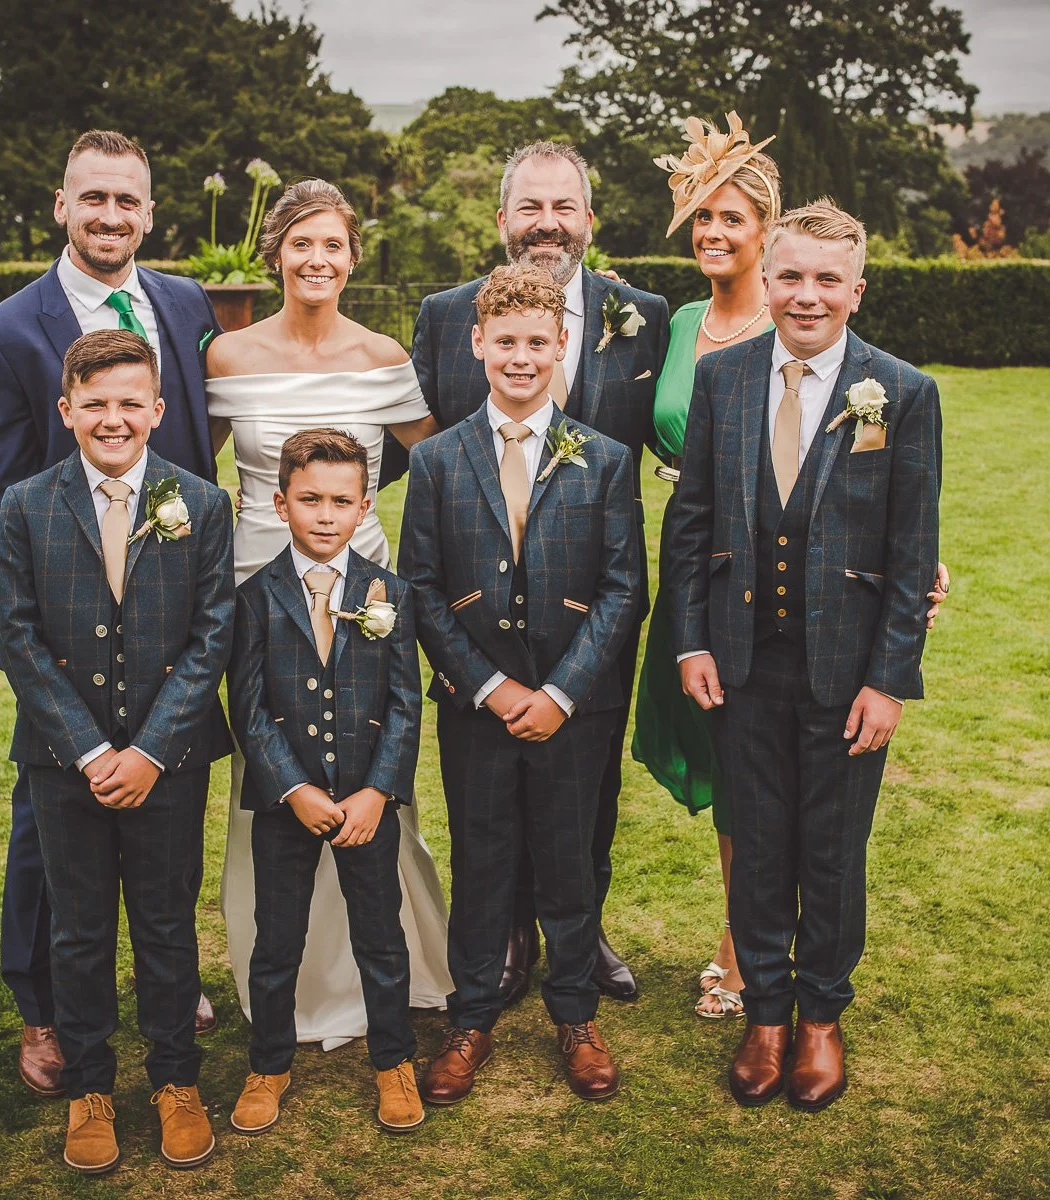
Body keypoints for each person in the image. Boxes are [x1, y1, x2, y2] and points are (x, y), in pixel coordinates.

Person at [634, 115, 950, 1019]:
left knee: (833, 850)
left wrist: (890, 678)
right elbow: (692, 520)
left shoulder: (903, 392)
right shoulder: (723, 375)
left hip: (845, 665)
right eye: (792, 278)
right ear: (769, 280)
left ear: (857, 290)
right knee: (759, 837)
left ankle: (820, 1017)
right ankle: (765, 1011)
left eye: (827, 281)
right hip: (738, 653)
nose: (807, 296)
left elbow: (910, 547)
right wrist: (691, 640)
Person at [0, 129, 220, 1097]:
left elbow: (199, 446)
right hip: (69, 616)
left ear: (149, 213)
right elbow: (4, 500)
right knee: (50, 814)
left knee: (169, 811)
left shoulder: (185, 305)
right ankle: (44, 1008)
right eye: (93, 198)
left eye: (127, 200)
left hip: (174, 601)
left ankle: (166, 980)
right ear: (62, 207)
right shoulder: (3, 333)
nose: (110, 216)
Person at [390, 141, 669, 1007]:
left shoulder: (645, 314)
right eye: (530, 208)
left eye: (564, 208)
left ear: (589, 218)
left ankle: (580, 926)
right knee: (487, 797)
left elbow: (685, 433)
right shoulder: (446, 315)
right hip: (482, 610)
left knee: (590, 786)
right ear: (502, 218)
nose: (547, 224)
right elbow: (418, 442)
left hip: (594, 609)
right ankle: (509, 931)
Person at [205, 179, 452, 1050]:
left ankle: (386, 969)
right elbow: (193, 476)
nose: (317, 260)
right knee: (272, 773)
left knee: (370, 764)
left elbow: (443, 462)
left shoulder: (381, 356)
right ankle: (287, 982)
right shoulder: (226, 357)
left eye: (333, 246)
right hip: (256, 590)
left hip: (363, 592)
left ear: (352, 258)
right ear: (275, 254)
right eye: (301, 244)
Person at [0, 329, 234, 1172]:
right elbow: (18, 640)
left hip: (171, 762)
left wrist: (151, 750)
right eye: (94, 403)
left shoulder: (201, 504)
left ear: (158, 410)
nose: (113, 418)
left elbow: (212, 637)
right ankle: (91, 1087)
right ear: (66, 411)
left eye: (131, 402)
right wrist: (93, 750)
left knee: (166, 923)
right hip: (65, 763)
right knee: (80, 930)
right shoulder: (26, 505)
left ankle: (175, 1080)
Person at [401, 265, 643, 1106]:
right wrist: (491, 688)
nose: (521, 357)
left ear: (562, 345)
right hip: (477, 709)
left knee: (569, 862)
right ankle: (470, 1018)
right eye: (506, 341)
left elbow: (623, 590)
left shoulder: (604, 459)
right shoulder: (437, 460)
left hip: (576, 709)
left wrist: (560, 693)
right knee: (483, 860)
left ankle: (575, 1015)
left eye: (538, 342)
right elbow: (421, 587)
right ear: (478, 344)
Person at [227, 429, 427, 1137]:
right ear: (280, 503)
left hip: (367, 801)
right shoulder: (254, 597)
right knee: (276, 940)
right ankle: (268, 1063)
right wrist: (292, 788)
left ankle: (393, 1060)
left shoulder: (389, 593)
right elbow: (247, 707)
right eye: (310, 499)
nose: (325, 514)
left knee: (381, 937)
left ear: (364, 506)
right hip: (288, 806)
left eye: (341, 501)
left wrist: (378, 791)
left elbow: (405, 702)